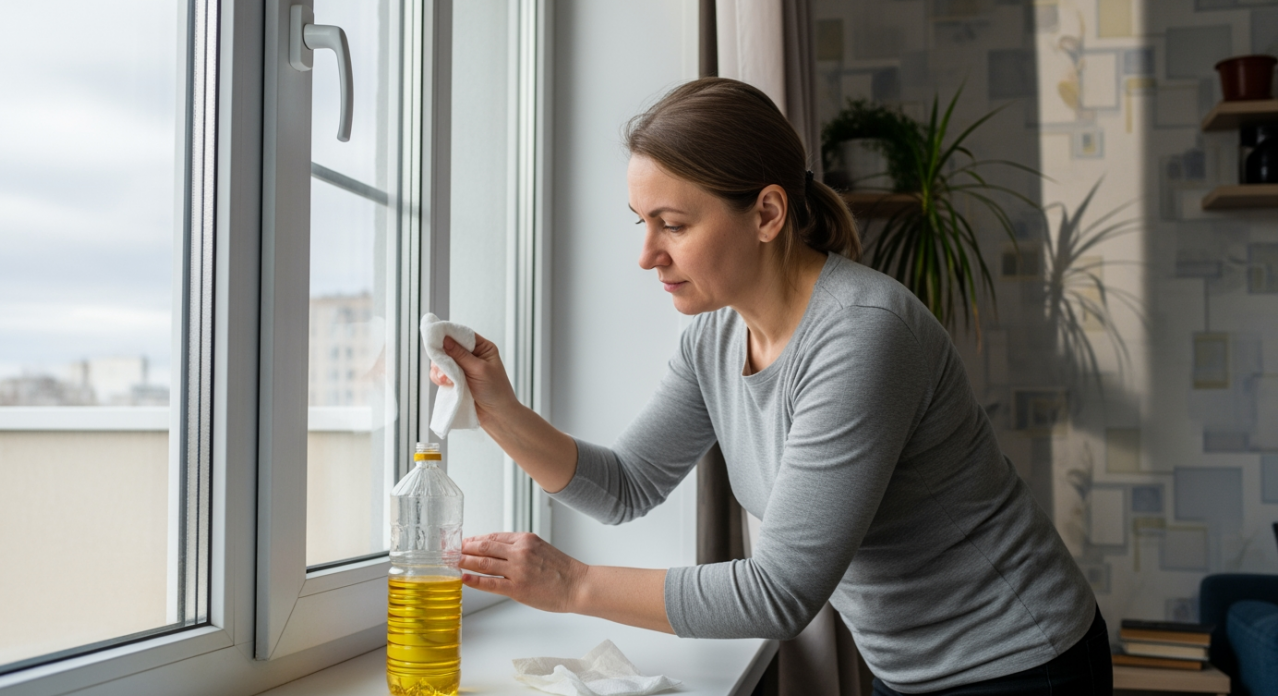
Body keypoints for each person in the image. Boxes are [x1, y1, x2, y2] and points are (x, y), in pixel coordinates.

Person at [431, 78, 1112, 696]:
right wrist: (500, 410)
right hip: (906, 668)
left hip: (1021, 662)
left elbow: (780, 592)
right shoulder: (714, 339)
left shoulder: (862, 334)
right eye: (643, 222)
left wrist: (573, 584)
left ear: (766, 214)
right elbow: (626, 486)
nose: (647, 254)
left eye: (673, 224)